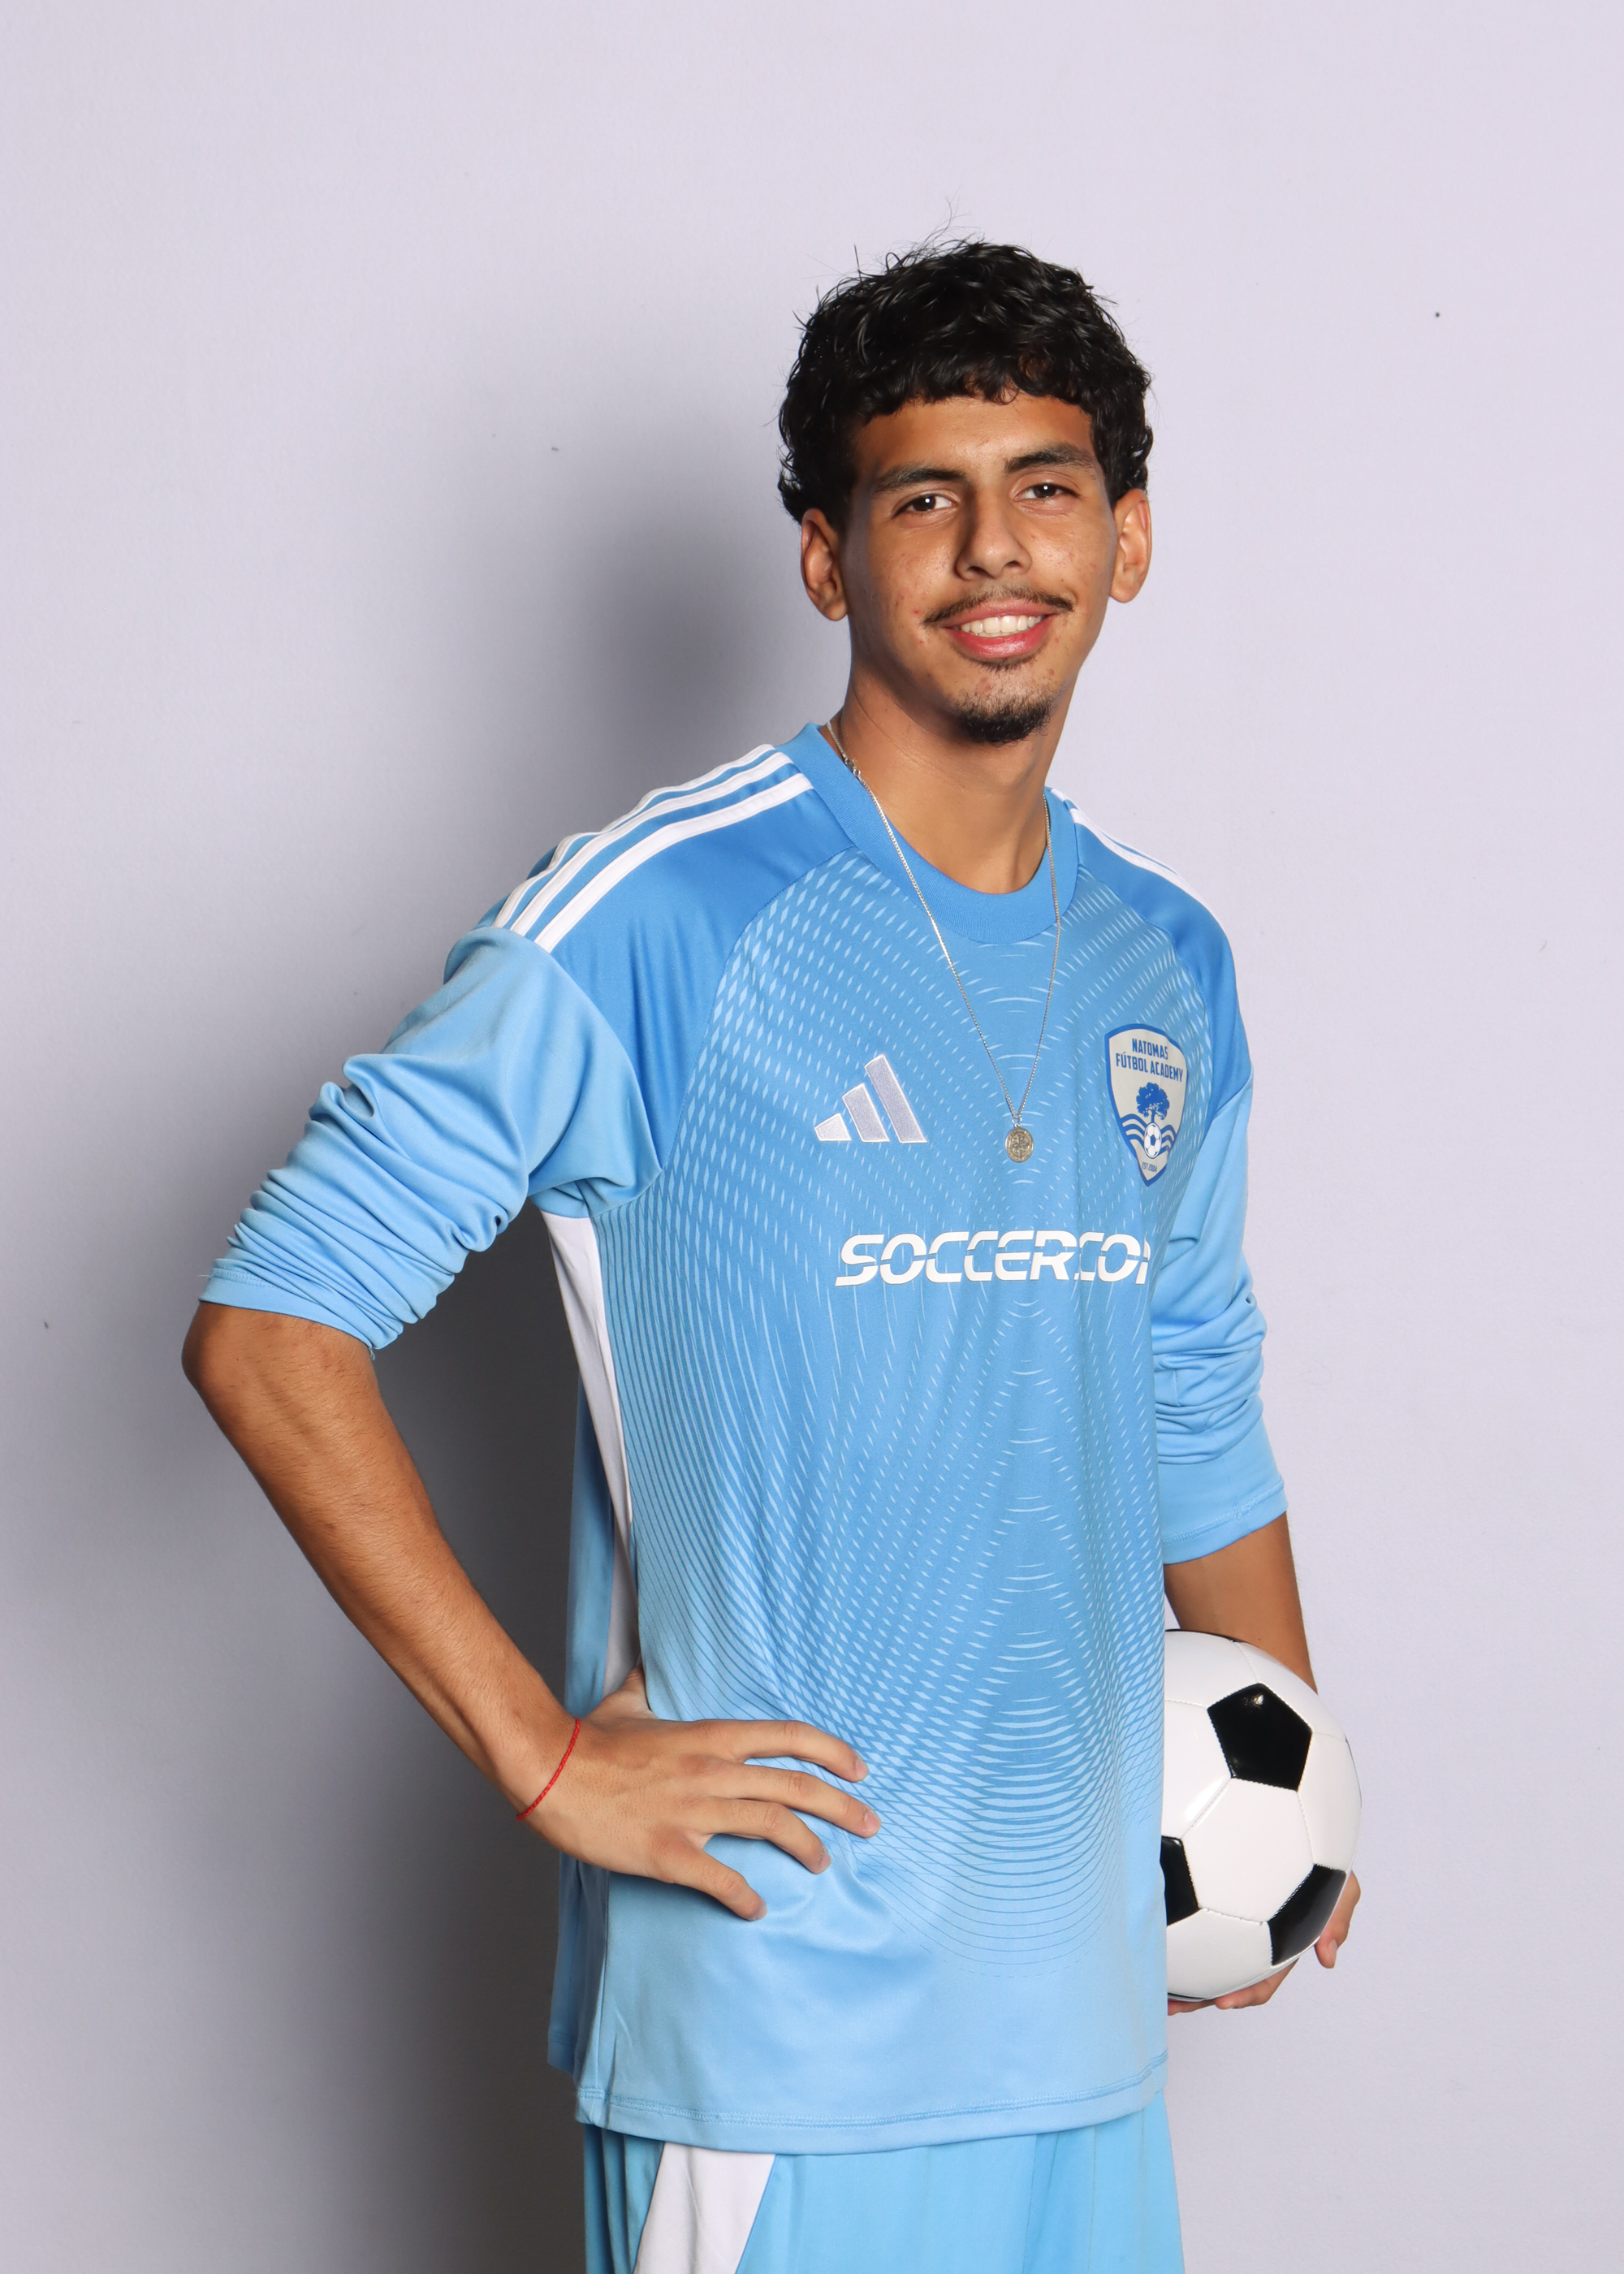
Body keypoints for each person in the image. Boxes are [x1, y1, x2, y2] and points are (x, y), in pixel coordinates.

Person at [184, 240, 1359, 2274]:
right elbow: (272, 1327)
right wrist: (547, 1756)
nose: (994, 547)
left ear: (1128, 535)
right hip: (779, 2024)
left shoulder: (1166, 954)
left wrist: (1284, 1785)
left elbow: (1187, 1384)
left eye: (1046, 484)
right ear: (827, 558)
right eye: (922, 499)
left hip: (1080, 2019)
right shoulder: (656, 912)